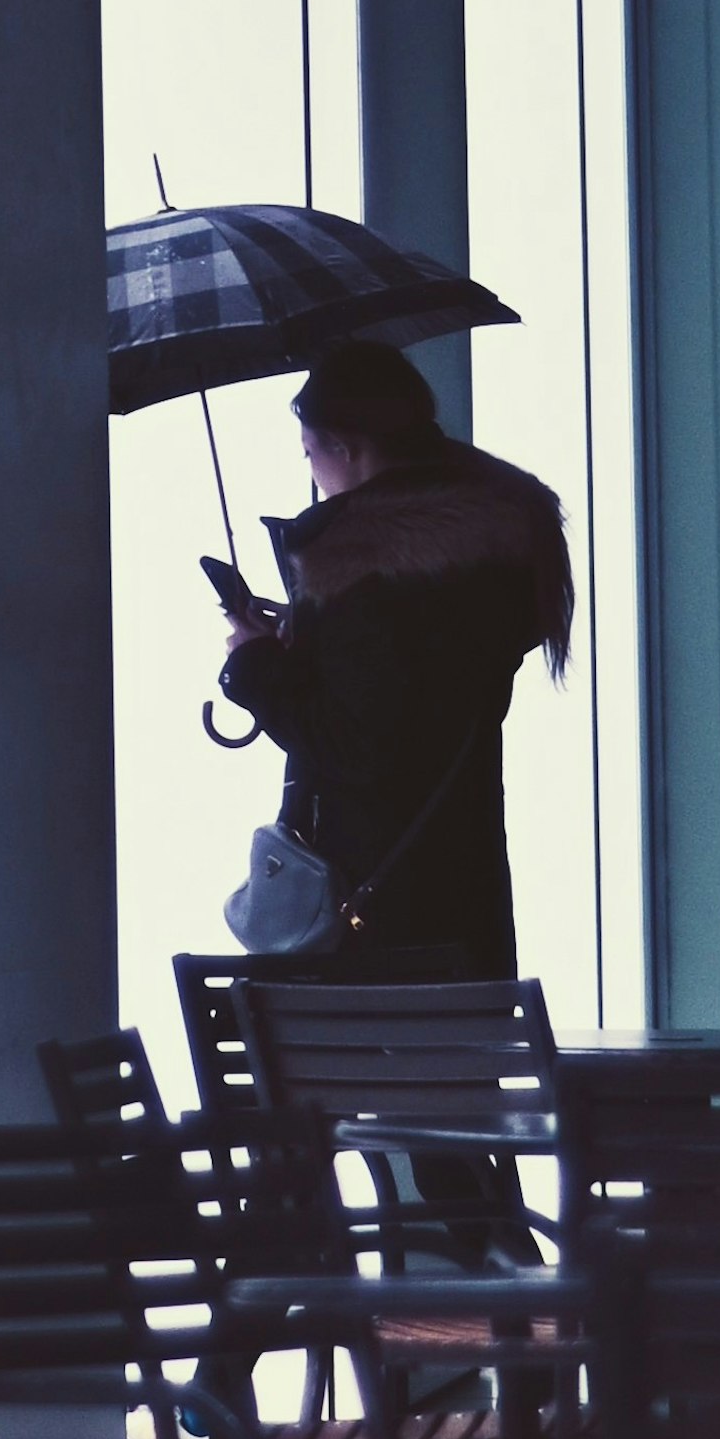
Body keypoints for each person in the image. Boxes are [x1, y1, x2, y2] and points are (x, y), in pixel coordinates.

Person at [215, 339, 572, 973]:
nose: (313, 471)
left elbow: (358, 747)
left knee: (353, 1077)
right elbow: (407, 706)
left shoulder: (371, 574)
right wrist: (307, 638)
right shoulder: (473, 558)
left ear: (345, 447)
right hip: (459, 900)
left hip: (372, 925)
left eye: (310, 451)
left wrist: (257, 665)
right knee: (452, 1076)